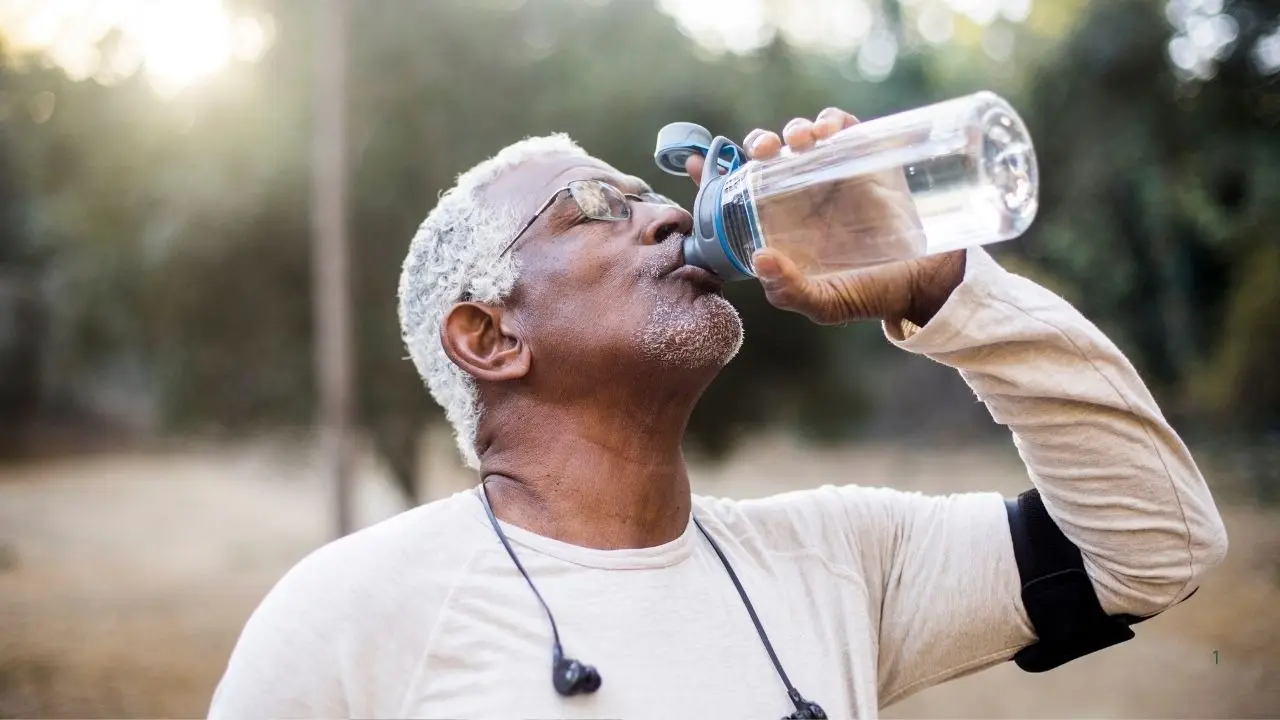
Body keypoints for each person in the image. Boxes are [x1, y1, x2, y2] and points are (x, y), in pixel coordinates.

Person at [208, 108, 1228, 719]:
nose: (661, 212)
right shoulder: (348, 614)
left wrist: (944, 289)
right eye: (595, 209)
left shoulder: (840, 561)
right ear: (489, 339)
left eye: (642, 194)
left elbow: (1156, 546)